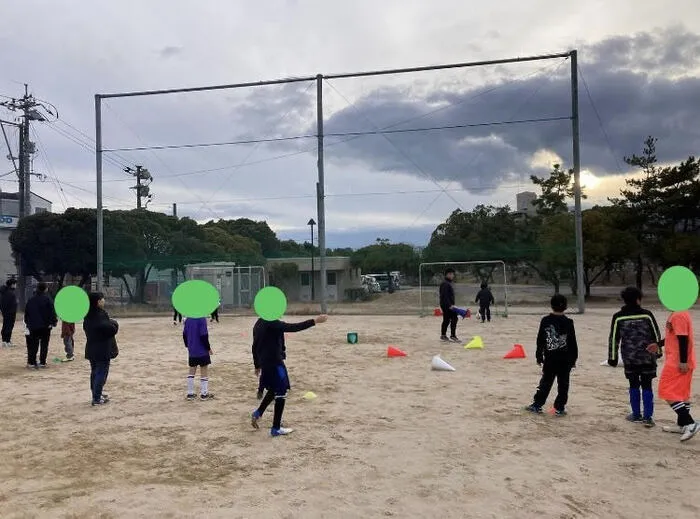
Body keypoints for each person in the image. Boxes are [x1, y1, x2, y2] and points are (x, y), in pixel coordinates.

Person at [251, 314, 328, 436]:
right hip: (275, 363)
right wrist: (315, 321)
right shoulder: (272, 322)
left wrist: (257, 365)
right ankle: (276, 428)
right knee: (282, 391)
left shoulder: (258, 323)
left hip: (266, 363)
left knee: (273, 389)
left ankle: (258, 413)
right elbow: (293, 327)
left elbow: (254, 346)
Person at [607, 287, 663, 427]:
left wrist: (612, 358)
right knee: (647, 385)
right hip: (647, 357)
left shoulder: (618, 316)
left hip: (630, 358)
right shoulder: (647, 315)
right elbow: (656, 335)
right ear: (639, 299)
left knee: (633, 384)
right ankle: (648, 417)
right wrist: (658, 352)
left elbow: (613, 338)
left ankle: (636, 414)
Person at [526, 294, 578, 416]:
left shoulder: (546, 321)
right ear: (565, 306)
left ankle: (537, 404)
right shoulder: (569, 322)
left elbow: (540, 340)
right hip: (565, 360)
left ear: (551, 305)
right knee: (563, 384)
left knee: (545, 382)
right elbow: (572, 342)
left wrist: (539, 356)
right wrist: (573, 359)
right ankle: (560, 408)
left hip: (550, 359)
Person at [658, 310, 700, 442]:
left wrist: (682, 361)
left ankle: (690, 423)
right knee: (682, 394)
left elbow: (683, 338)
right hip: (681, 360)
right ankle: (683, 424)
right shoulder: (679, 313)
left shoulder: (679, 315)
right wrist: (658, 344)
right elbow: (675, 336)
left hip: (677, 362)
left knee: (666, 391)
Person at [84, 292, 118, 406]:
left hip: (91, 348)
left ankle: (96, 393)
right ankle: (97, 398)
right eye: (102, 299)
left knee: (95, 372)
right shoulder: (99, 315)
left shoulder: (88, 315)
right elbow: (109, 329)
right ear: (98, 301)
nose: (104, 301)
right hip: (102, 349)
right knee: (101, 373)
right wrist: (114, 324)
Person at [24, 282, 58, 369]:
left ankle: (32, 362)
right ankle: (42, 362)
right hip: (45, 326)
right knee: (44, 344)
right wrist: (53, 322)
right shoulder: (48, 299)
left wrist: (28, 323)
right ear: (46, 289)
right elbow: (52, 312)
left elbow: (27, 312)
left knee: (33, 344)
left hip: (33, 326)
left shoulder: (31, 299)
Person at [183, 316, 214, 401]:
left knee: (191, 371)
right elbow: (204, 335)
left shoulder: (188, 319)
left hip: (192, 350)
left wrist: (188, 345)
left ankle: (190, 393)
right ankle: (204, 394)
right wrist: (208, 348)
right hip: (202, 350)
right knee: (204, 371)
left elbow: (184, 335)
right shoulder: (201, 319)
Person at [439, 268, 460, 343]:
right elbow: (444, 296)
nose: (452, 275)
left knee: (447, 319)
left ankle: (444, 335)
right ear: (447, 274)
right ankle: (452, 336)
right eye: (451, 274)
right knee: (453, 318)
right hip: (446, 305)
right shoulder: (445, 283)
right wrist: (449, 305)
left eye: (453, 274)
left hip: (449, 305)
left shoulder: (449, 283)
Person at [0, 279, 18, 347]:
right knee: (9, 326)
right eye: (15, 284)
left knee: (5, 325)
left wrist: (2, 310)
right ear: (12, 284)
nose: (15, 285)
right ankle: (7, 341)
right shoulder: (10, 293)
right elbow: (9, 303)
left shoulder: (4, 292)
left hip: (5, 312)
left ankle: (5, 341)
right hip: (10, 313)